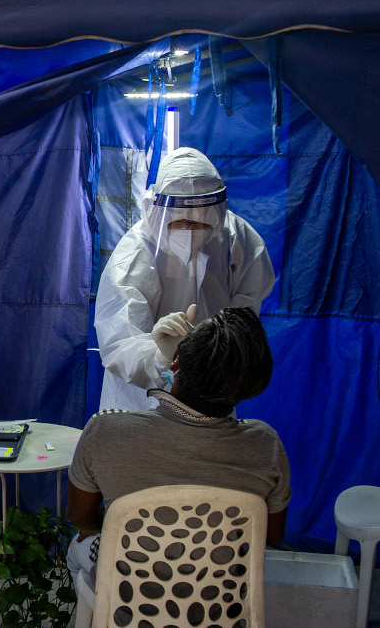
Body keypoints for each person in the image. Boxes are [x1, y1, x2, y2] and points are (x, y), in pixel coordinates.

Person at [66, 306, 291, 581]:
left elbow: (81, 516)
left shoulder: (106, 430)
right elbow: (271, 534)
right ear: (247, 386)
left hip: (128, 586)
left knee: (77, 548)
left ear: (175, 364)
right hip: (217, 597)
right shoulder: (265, 444)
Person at [94, 147, 274, 412]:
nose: (189, 231)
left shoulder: (236, 239)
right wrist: (160, 357)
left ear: (216, 214)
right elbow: (119, 340)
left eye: (199, 223)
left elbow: (245, 311)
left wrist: (222, 350)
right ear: (159, 212)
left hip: (211, 387)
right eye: (180, 223)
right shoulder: (135, 254)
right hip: (142, 398)